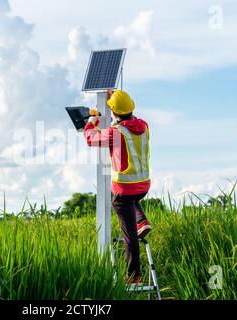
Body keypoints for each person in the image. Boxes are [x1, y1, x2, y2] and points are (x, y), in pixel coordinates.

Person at [83, 89, 151, 284]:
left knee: (129, 234)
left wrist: (92, 121)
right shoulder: (144, 126)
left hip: (125, 188)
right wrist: (115, 98)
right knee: (131, 201)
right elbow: (127, 123)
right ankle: (141, 220)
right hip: (143, 185)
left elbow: (90, 139)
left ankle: (134, 275)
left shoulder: (116, 132)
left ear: (113, 112)